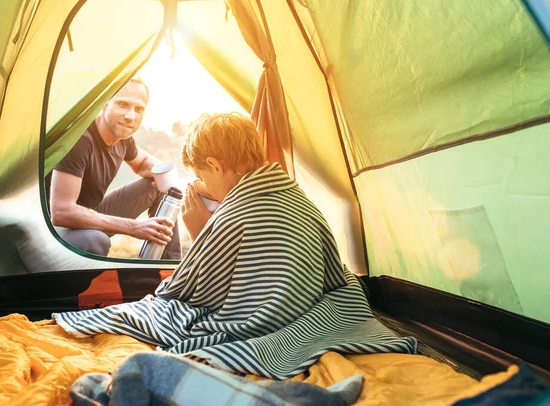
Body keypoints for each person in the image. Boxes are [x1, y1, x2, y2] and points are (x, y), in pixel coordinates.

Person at [53, 112, 417, 379]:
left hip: (265, 323)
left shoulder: (234, 214)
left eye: (202, 176)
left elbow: (190, 293)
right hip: (317, 308)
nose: (203, 186)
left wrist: (199, 232)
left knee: (162, 312)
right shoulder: (298, 198)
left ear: (215, 164)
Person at [47, 78, 181, 259]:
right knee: (95, 240)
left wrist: (168, 179)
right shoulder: (80, 140)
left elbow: (142, 164)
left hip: (87, 218)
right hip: (53, 232)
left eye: (138, 109)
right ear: (104, 104)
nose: (130, 116)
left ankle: (166, 271)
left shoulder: (123, 139)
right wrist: (133, 227)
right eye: (123, 105)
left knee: (161, 187)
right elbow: (61, 212)